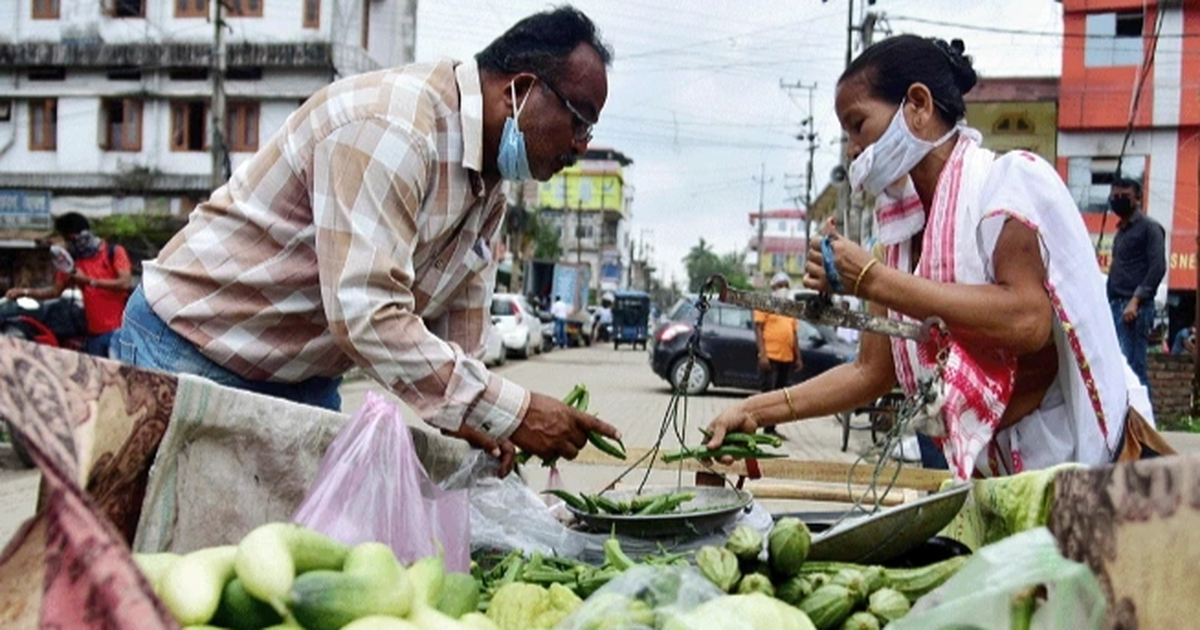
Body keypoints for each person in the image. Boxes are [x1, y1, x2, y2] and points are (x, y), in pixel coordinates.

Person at [112, 6, 619, 476]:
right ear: (521, 89)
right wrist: (517, 410)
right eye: (579, 120)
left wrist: (479, 415)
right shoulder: (393, 127)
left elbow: (459, 330)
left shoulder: (489, 189)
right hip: (189, 352)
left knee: (287, 560)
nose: (580, 146)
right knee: (141, 556)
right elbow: (367, 312)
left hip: (300, 382)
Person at [705, 35, 1169, 481]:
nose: (851, 150)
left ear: (919, 105)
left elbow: (1027, 320)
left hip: (1078, 464)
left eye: (858, 125)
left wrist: (872, 280)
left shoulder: (1006, 185)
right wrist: (754, 409)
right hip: (995, 472)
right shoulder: (898, 243)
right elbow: (870, 371)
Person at [6, 212, 133, 357]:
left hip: (120, 332)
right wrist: (24, 292)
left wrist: (88, 281)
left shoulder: (114, 252)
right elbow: (54, 292)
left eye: (67, 239)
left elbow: (125, 283)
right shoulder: (72, 263)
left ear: (76, 236)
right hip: (93, 336)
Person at [1106, 177, 1166, 391]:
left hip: (1133, 309)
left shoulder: (1150, 228)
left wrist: (1135, 301)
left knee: (1133, 370)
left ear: (1138, 199)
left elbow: (1157, 267)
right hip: (1115, 304)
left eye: (1124, 196)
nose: (1118, 200)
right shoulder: (1122, 231)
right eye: (1114, 196)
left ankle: (1143, 420)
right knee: (1118, 370)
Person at [754, 272, 802, 436]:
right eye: (780, 285)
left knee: (781, 395)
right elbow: (759, 329)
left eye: (785, 286)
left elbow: (794, 334)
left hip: (786, 357)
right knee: (768, 393)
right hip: (770, 356)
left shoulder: (790, 308)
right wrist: (762, 354)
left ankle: (771, 428)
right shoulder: (766, 304)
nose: (783, 289)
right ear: (773, 288)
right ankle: (760, 425)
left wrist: (798, 357)